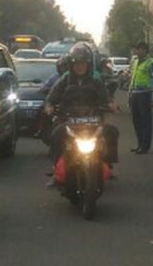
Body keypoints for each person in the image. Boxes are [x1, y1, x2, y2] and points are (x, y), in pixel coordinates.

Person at [43, 42, 118, 171]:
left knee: (112, 132)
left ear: (88, 64)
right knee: (56, 135)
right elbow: (51, 97)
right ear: (71, 65)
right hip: (68, 119)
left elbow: (105, 97)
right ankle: (56, 167)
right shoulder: (65, 80)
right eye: (76, 63)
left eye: (83, 63)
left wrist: (111, 104)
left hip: (93, 119)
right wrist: (49, 106)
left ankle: (107, 164)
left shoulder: (95, 80)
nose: (80, 66)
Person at [127, 41, 153, 153]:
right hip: (135, 94)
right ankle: (139, 143)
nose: (136, 51)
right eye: (136, 49)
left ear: (145, 50)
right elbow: (133, 78)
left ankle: (145, 146)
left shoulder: (151, 63)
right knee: (136, 121)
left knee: (145, 121)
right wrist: (130, 94)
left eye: (139, 49)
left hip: (145, 94)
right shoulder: (135, 62)